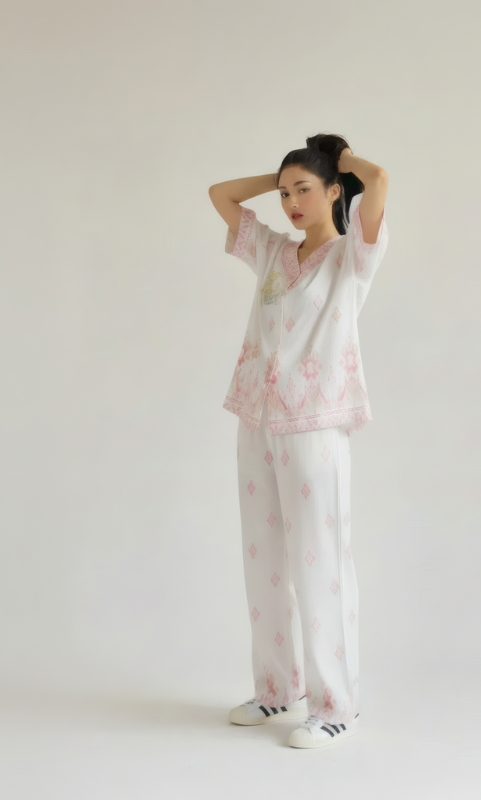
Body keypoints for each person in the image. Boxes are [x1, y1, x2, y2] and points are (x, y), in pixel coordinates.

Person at [208, 133, 389, 749]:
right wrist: (282, 174)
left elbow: (379, 180)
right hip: (256, 419)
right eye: (285, 194)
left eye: (303, 191)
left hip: (315, 425)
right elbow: (220, 195)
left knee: (321, 563)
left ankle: (336, 704)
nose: (289, 203)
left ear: (335, 191)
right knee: (263, 560)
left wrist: (338, 162)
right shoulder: (272, 252)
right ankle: (276, 690)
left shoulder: (352, 257)